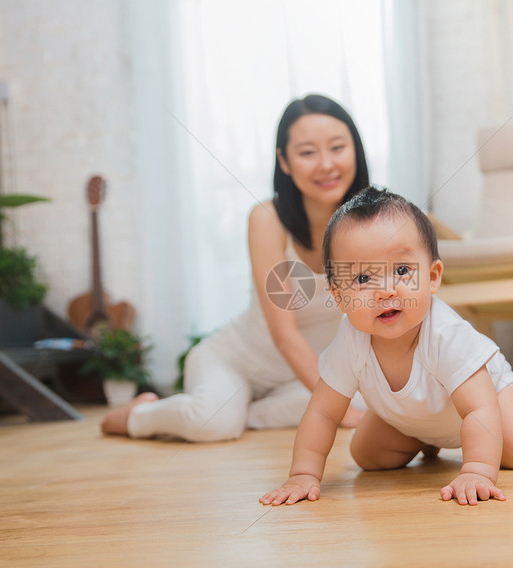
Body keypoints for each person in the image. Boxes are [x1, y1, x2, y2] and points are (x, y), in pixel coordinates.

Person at [100, 94, 370, 441]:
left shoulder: (369, 223)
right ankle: (141, 413)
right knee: (213, 424)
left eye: (337, 147)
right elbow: (283, 333)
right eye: (307, 152)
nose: (326, 164)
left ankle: (244, 413)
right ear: (284, 161)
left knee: (375, 398)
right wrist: (338, 409)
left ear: (355, 151)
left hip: (297, 378)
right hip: (235, 362)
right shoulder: (267, 219)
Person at [260, 187, 513, 506]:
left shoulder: (445, 333)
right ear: (338, 296)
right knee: (368, 455)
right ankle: (423, 438)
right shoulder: (350, 340)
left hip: (489, 401)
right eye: (361, 279)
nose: (385, 291)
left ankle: (459, 436)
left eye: (401, 271)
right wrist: (303, 473)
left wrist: (477, 471)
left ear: (433, 276)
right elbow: (322, 413)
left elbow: (479, 409)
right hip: (419, 416)